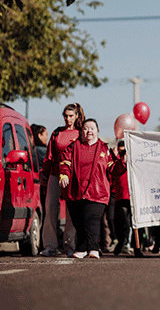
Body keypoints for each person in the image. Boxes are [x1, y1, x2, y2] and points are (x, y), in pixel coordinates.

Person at [58, 119, 113, 259]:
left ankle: (93, 248)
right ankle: (82, 248)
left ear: (97, 131)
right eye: (86, 128)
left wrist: (123, 163)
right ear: (82, 131)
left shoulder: (104, 149)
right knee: (79, 221)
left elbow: (113, 168)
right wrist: (64, 175)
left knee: (91, 219)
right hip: (76, 191)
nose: (89, 131)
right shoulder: (73, 147)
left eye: (92, 128)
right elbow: (65, 162)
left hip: (97, 191)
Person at [40, 103, 85, 257]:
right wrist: (44, 173)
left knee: (71, 212)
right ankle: (50, 246)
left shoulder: (81, 133)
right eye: (65, 116)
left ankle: (69, 246)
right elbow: (49, 156)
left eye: (71, 116)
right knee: (50, 208)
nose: (68, 119)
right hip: (55, 174)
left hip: (73, 177)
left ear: (77, 116)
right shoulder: (57, 133)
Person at [111, 144, 144, 257]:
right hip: (122, 196)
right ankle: (121, 241)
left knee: (136, 224)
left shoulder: (139, 162)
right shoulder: (119, 163)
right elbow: (115, 172)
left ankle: (137, 248)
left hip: (136, 197)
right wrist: (122, 160)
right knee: (122, 223)